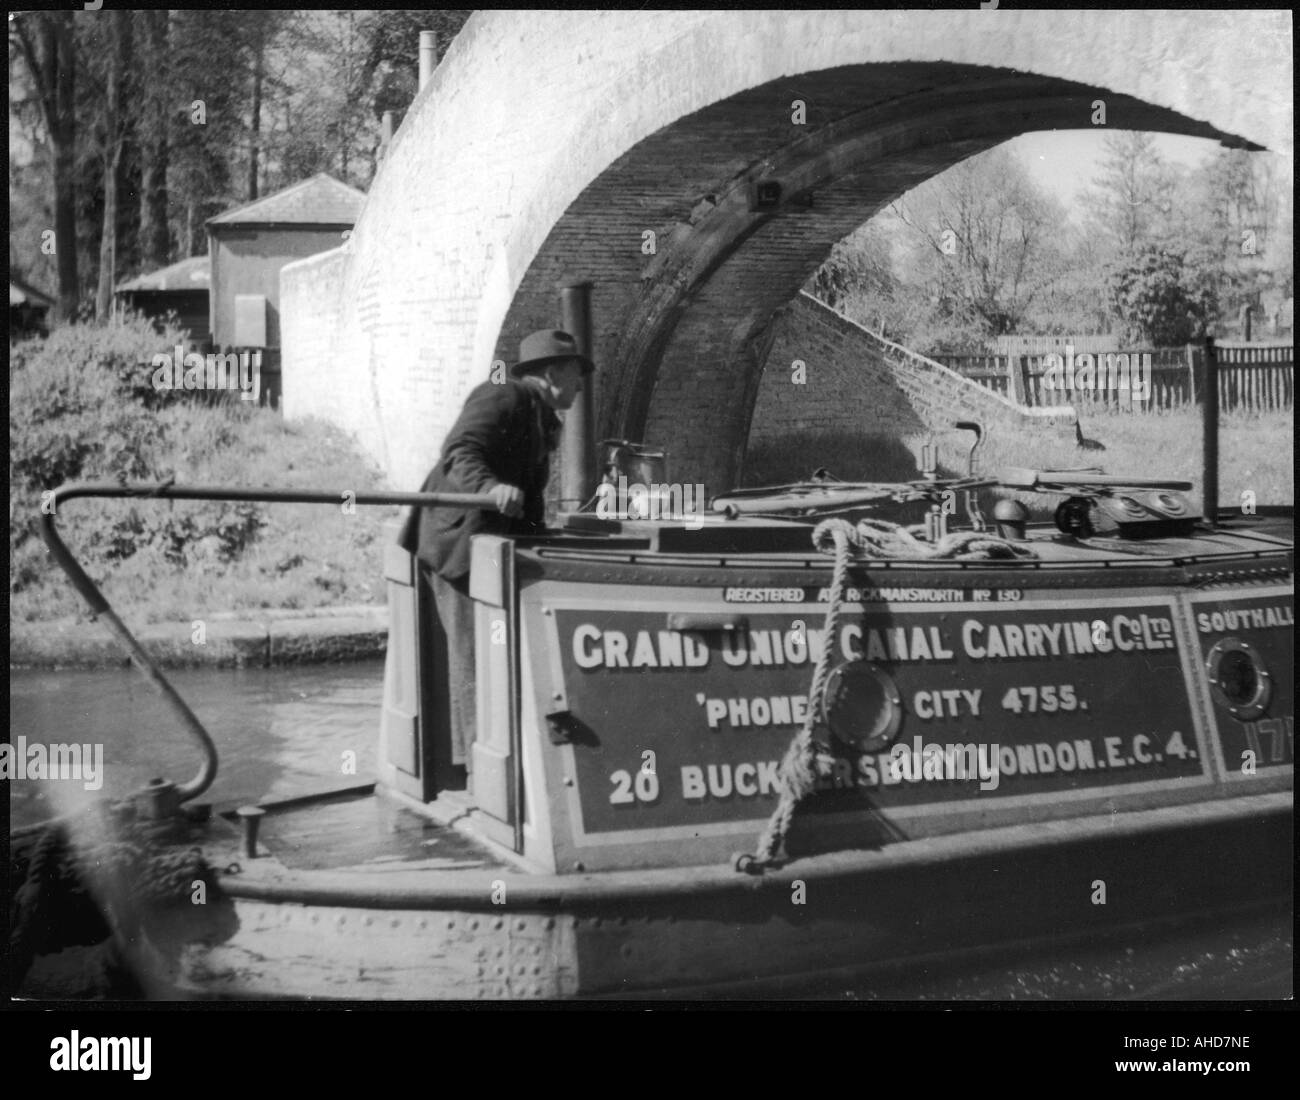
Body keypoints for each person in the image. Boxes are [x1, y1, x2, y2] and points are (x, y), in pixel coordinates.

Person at [396, 329, 594, 773]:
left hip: (491, 542)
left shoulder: (542, 416)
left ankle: (497, 757)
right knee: (473, 655)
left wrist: (541, 534)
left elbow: (527, 487)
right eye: (575, 374)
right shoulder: (502, 394)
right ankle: (480, 770)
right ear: (550, 373)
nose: (581, 386)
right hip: (458, 540)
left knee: (489, 650)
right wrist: (490, 489)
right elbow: (459, 452)